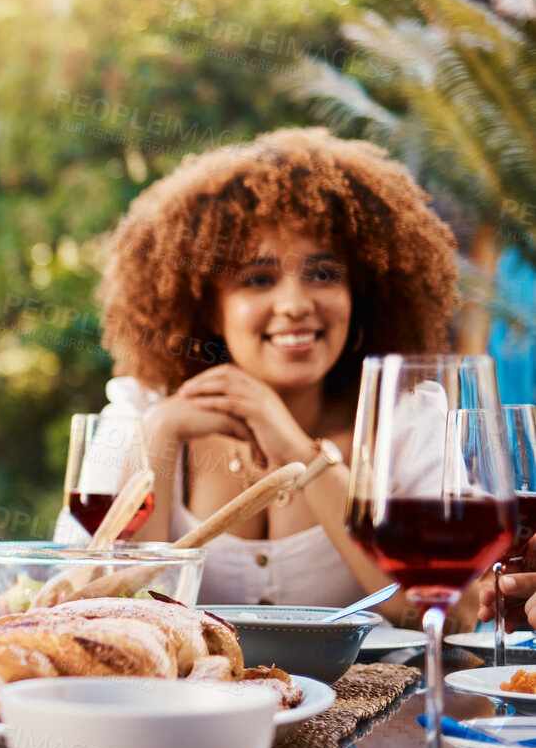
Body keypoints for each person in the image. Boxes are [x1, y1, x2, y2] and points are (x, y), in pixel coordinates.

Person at [61, 128, 459, 625]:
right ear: (207, 307)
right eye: (258, 279)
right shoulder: (141, 411)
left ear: (362, 294)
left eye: (323, 274)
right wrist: (160, 435)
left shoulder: (406, 417)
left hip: (382, 702)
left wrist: (297, 451)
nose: (294, 304)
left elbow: (441, 611)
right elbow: (83, 605)